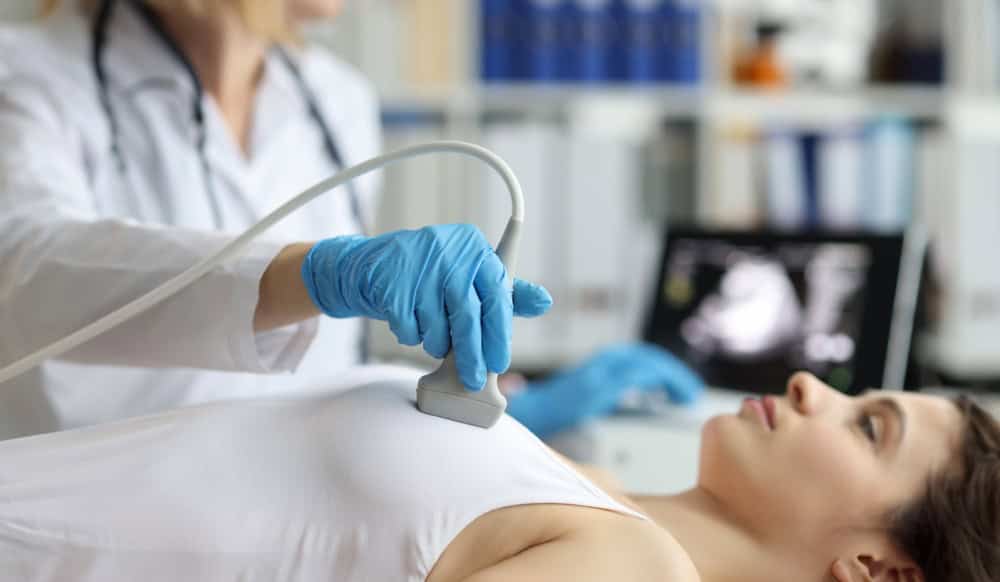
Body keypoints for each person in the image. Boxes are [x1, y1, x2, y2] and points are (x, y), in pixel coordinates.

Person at [0, 0, 701, 440]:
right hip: (93, 523)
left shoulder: (335, 101)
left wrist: (498, 403)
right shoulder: (27, 74)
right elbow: (25, 267)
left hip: (298, 513)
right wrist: (317, 272)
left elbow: (321, 364)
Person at [1, 368, 996, 581]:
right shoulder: (601, 491)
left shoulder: (634, 573)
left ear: (875, 572)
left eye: (869, 427)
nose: (809, 383)